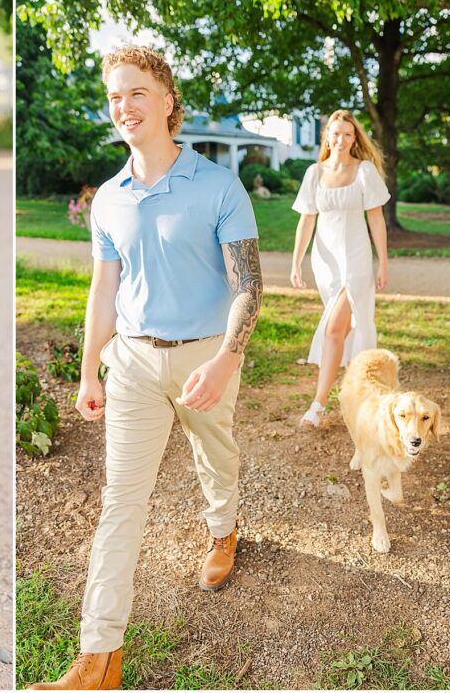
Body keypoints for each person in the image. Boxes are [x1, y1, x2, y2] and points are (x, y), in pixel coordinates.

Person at [28, 45, 262, 691]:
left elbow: (249, 283)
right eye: (114, 97)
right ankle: (98, 657)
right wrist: (87, 373)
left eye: (135, 92)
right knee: (120, 505)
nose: (123, 106)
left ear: (166, 100)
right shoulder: (109, 197)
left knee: (216, 456)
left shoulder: (216, 183)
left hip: (206, 357)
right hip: (131, 360)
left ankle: (223, 530)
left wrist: (224, 361)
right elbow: (104, 288)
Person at [290, 110, 390, 428]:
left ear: (354, 138)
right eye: (336, 133)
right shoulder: (314, 173)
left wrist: (383, 262)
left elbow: (376, 219)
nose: (341, 139)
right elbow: (306, 220)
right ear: (326, 136)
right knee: (343, 330)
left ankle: (318, 405)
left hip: (357, 260)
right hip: (325, 263)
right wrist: (296, 261)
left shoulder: (365, 171)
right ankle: (359, 393)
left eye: (348, 134)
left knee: (335, 329)